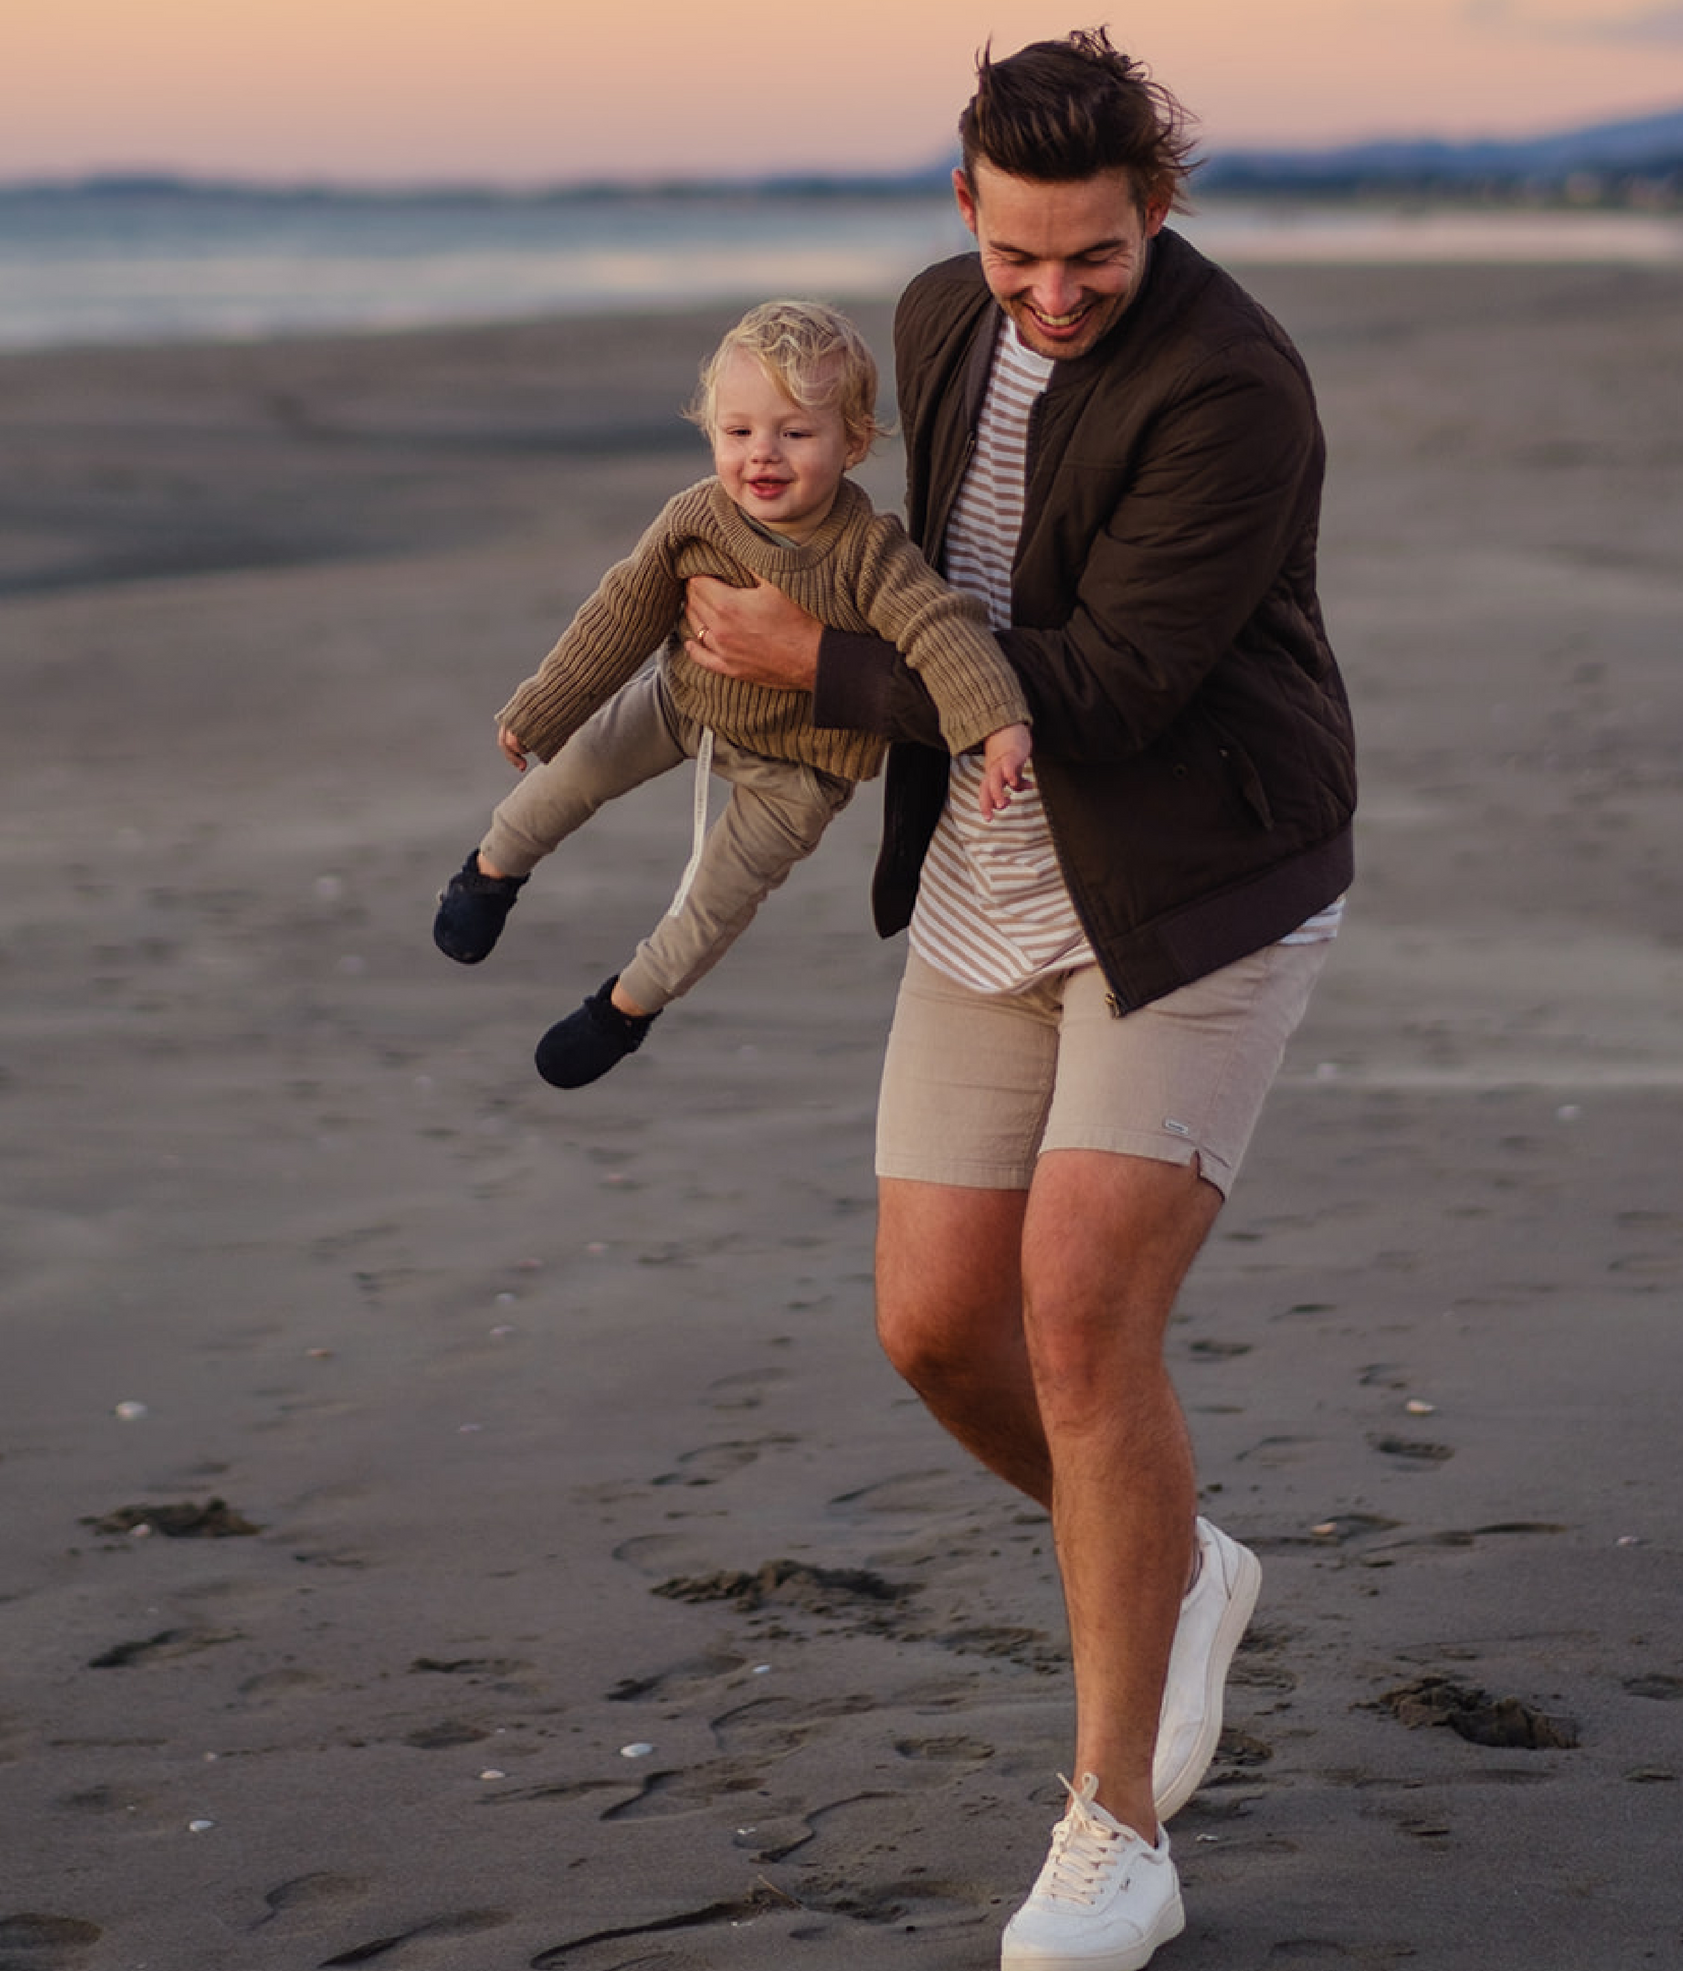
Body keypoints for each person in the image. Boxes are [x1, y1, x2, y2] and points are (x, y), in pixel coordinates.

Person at [684, 30, 1356, 1971]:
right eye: (1018, 258)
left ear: (1159, 209)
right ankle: (1185, 1561)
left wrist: (817, 659)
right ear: (963, 208)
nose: (1053, 298)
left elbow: (1117, 686)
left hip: (1197, 878)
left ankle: (1112, 1827)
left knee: (1078, 1319)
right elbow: (884, 550)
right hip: (993, 873)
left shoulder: (1233, 386)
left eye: (1097, 260)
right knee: (933, 1329)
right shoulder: (930, 320)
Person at [432, 299, 1032, 1086]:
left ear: (852, 442)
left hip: (801, 770)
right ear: (711, 430)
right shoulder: (696, 517)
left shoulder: (869, 552)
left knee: (715, 901)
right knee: (575, 770)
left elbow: (941, 629)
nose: (763, 455)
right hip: (685, 699)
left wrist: (998, 725)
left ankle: (623, 1009)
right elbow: (623, 612)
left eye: (796, 432)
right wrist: (543, 707)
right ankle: (491, 871)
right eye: (739, 431)